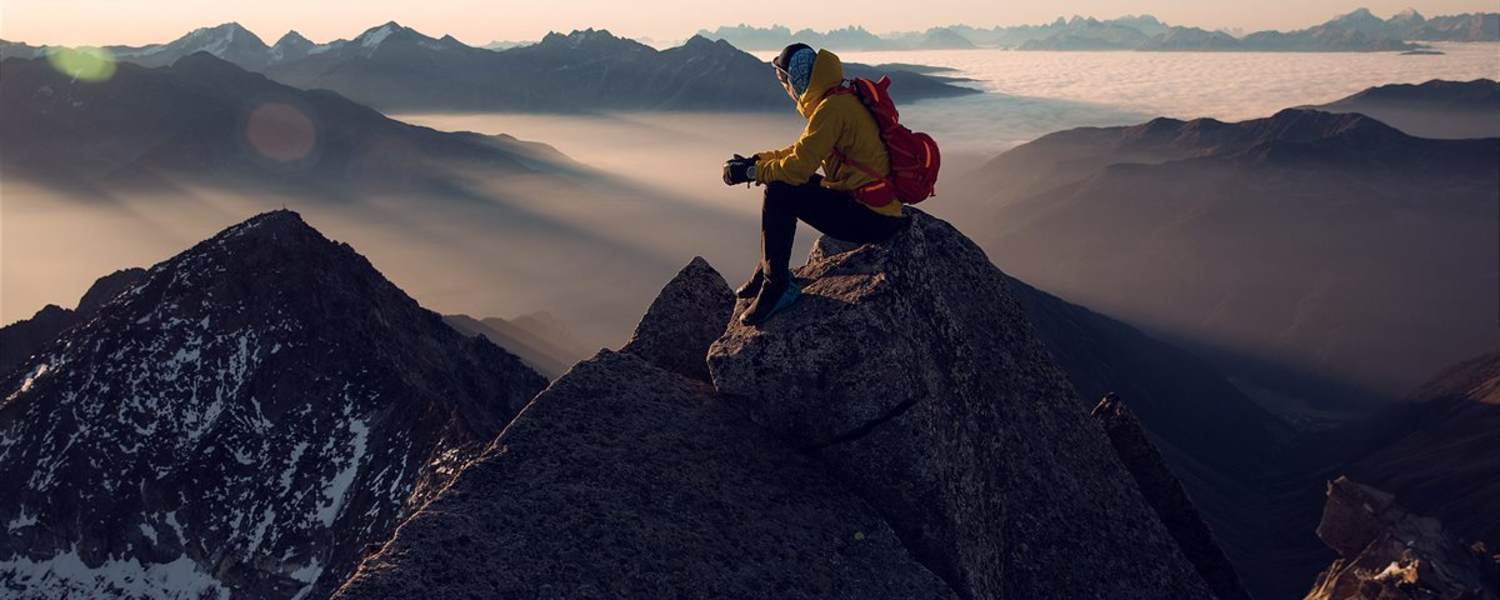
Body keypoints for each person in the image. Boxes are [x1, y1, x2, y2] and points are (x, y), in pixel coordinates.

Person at [722, 43, 909, 326]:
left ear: (798, 79)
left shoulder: (831, 109)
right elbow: (801, 151)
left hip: (872, 220)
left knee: (780, 191)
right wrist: (756, 161)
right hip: (876, 209)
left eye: (784, 80)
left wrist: (751, 172)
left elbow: (797, 168)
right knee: (782, 183)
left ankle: (777, 285)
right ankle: (767, 269)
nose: (785, 89)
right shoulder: (839, 99)